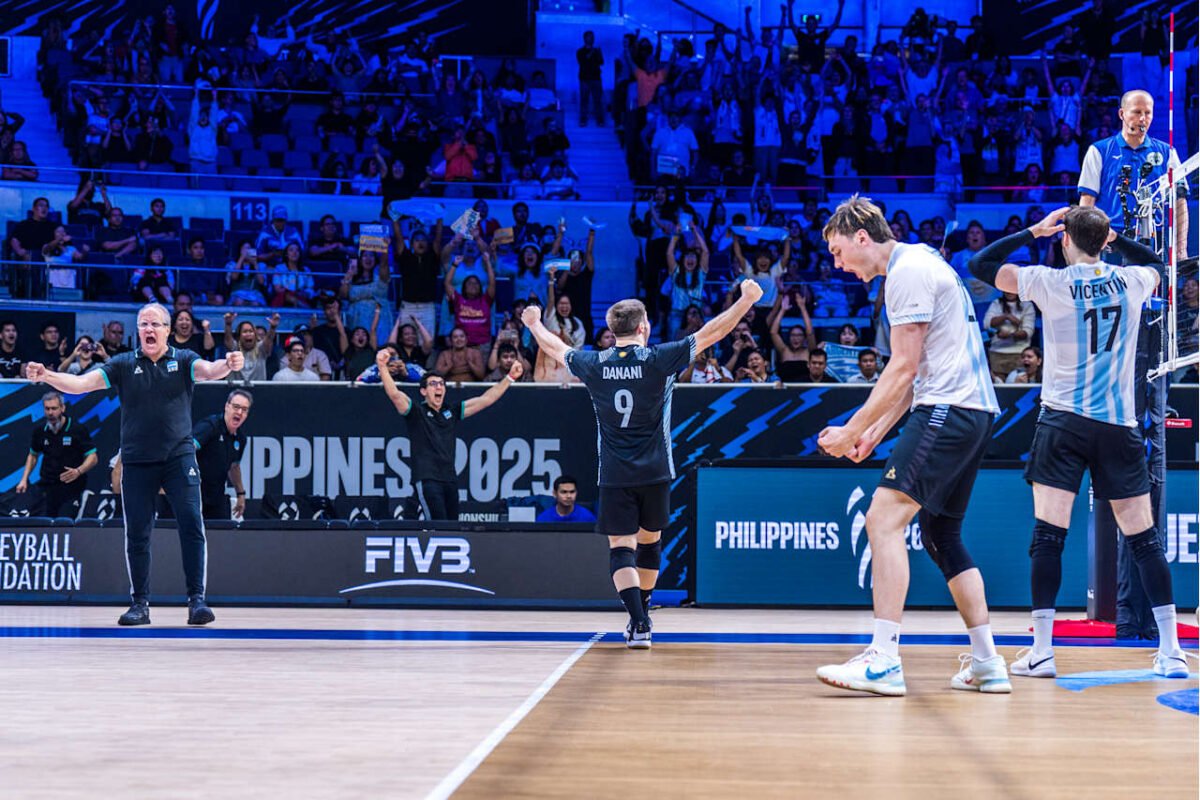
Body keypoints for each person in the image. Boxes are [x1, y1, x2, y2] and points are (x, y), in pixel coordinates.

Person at [968, 205, 1189, 680]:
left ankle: (1043, 651)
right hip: (1117, 425)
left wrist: (1033, 230)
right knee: (1145, 541)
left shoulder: (1050, 282)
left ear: (1065, 240)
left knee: (1049, 537)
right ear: (1105, 241)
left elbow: (980, 266)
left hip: (1063, 424)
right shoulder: (1132, 282)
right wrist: (1113, 238)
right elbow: (1156, 263)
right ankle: (1170, 650)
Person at [814, 196, 1008, 696]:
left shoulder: (907, 271)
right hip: (970, 411)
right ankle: (987, 662)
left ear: (862, 236)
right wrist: (874, 433)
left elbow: (901, 368)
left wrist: (852, 430)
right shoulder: (920, 263)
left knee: (882, 518)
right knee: (942, 535)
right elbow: (915, 372)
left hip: (950, 408)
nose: (837, 264)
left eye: (837, 251)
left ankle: (883, 660)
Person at [520, 276, 764, 649]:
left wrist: (535, 323)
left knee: (621, 548)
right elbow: (714, 331)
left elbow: (556, 349)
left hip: (615, 473)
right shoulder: (658, 359)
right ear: (643, 327)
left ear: (611, 329)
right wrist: (746, 300)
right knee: (650, 544)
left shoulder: (594, 363)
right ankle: (643, 614)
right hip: (655, 470)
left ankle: (639, 621)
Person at [25, 302, 245, 626]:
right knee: (138, 533)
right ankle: (139, 604)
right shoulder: (124, 364)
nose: (149, 330)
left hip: (179, 458)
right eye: (143, 324)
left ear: (168, 330)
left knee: (191, 524)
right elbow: (81, 384)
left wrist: (228, 363)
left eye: (155, 324)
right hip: (138, 461)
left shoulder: (183, 360)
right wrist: (47, 375)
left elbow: (210, 371)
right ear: (138, 331)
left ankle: (197, 600)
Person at [375, 351, 524, 520]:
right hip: (427, 478)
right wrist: (382, 367)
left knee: (453, 526)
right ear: (423, 391)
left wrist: (510, 377)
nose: (438, 387)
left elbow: (485, 400)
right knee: (439, 525)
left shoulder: (451, 411)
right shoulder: (417, 412)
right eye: (433, 384)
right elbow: (395, 395)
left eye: (441, 384)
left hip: (450, 479)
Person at [1078, 90, 1189, 259]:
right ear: (1122, 114)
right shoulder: (1098, 151)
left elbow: (1180, 200)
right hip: (1109, 242)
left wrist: (1181, 250)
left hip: (1155, 242)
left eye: (1147, 113)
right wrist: (1085, 250)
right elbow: (1086, 203)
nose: (1143, 118)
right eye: (1137, 112)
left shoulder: (1167, 153)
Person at [15, 391, 98, 518]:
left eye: (54, 408)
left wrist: (79, 471)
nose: (50, 413)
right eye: (47, 409)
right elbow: (33, 455)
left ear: (62, 408)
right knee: (44, 522)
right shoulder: (40, 431)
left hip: (71, 486)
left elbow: (93, 457)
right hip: (48, 485)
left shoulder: (77, 429)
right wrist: (24, 479)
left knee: (65, 521)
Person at [193, 389, 251, 520]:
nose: (239, 412)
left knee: (220, 534)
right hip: (194, 493)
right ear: (227, 406)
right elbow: (187, 449)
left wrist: (241, 493)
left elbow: (234, 467)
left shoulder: (240, 439)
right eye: (236, 407)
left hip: (216, 495)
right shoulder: (210, 426)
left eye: (244, 409)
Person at [983, 292, 1035, 381]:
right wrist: (1006, 317)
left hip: (1019, 353)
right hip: (997, 353)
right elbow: (986, 324)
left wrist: (1009, 335)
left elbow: (1028, 332)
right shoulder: (996, 303)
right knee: (998, 384)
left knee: (1018, 384)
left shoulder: (1027, 305)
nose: (1009, 292)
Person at [576, 31, 605, 127]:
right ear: (585, 38)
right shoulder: (580, 51)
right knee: (584, 99)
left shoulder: (597, 51)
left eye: (593, 37)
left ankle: (600, 119)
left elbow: (601, 62)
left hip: (596, 78)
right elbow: (584, 61)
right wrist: (593, 51)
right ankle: (583, 118)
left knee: (598, 99)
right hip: (584, 79)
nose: (592, 39)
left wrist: (599, 53)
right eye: (589, 37)